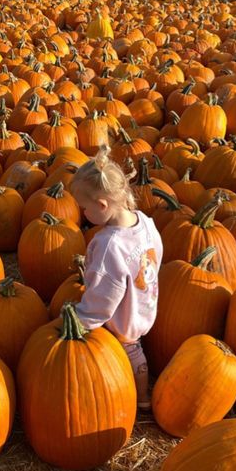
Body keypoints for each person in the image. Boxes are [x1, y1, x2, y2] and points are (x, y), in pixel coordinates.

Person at [69, 145, 162, 409]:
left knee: (129, 351)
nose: (82, 215)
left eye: (84, 208)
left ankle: (140, 398)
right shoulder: (144, 221)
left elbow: (103, 297)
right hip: (145, 299)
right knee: (136, 344)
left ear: (102, 204)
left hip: (123, 317)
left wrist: (82, 319)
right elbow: (157, 251)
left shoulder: (109, 245)